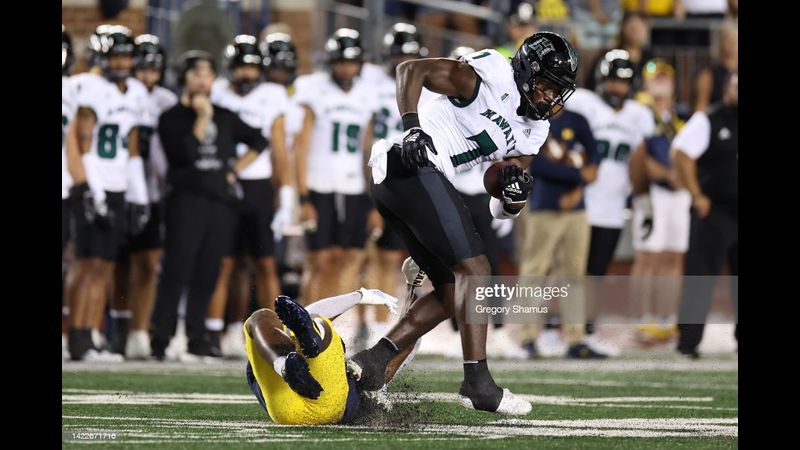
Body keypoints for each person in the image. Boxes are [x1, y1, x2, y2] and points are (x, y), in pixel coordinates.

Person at [352, 31, 580, 415]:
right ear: (525, 70)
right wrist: (413, 126)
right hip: (408, 162)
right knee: (476, 270)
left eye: (556, 91)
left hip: (417, 181)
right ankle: (477, 382)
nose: (548, 98)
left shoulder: (535, 130)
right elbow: (411, 70)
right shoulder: (491, 77)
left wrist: (513, 195)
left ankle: (374, 362)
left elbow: (504, 202)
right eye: (544, 86)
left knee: (451, 291)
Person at [149, 51, 269, 361]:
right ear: (184, 78)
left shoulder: (226, 115)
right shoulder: (171, 118)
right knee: (177, 269)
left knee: (208, 272)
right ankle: (160, 339)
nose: (203, 80)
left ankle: (196, 338)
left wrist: (233, 169)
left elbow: (259, 140)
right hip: (185, 201)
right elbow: (185, 154)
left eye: (207, 74)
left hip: (219, 203)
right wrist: (202, 117)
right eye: (196, 74)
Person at [245, 264, 423, 425]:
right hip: (306, 403)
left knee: (260, 318)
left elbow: (408, 339)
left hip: (298, 406)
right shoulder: (372, 378)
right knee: (284, 321)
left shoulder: (372, 385)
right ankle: (288, 361)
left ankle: (285, 362)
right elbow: (409, 338)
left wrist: (359, 296)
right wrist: (413, 287)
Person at [205, 34, 293, 358]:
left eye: (253, 68)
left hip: (258, 187)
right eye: (241, 67)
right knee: (225, 263)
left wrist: (285, 195)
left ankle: (277, 333)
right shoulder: (215, 91)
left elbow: (280, 147)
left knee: (266, 263)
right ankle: (221, 330)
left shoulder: (273, 95)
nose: (247, 74)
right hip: (223, 188)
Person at [66, 25, 149, 362]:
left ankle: (89, 334)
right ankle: (78, 337)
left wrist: (138, 194)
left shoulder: (135, 92)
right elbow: (83, 142)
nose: (121, 61)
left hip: (116, 187)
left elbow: (131, 147)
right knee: (89, 264)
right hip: (94, 185)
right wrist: (90, 190)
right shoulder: (89, 88)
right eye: (116, 55)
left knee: (104, 266)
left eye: (126, 55)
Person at [293, 29, 380, 304]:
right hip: (319, 184)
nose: (346, 68)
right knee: (319, 258)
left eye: (351, 62)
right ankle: (305, 323)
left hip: (354, 186)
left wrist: (374, 201)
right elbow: (301, 147)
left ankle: (331, 325)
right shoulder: (313, 91)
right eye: (341, 62)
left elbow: (369, 151)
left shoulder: (367, 95)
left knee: (350, 256)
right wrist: (303, 197)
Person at [108, 34, 178, 359]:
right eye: (143, 68)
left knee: (148, 263)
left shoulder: (166, 100)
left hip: (153, 190)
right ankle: (116, 327)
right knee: (115, 262)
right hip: (120, 185)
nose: (148, 75)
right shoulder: (120, 94)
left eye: (154, 68)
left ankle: (138, 331)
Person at [673, 72, 737, 359]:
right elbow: (682, 154)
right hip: (715, 211)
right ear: (727, 89)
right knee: (700, 276)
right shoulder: (708, 118)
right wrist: (697, 195)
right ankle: (688, 342)